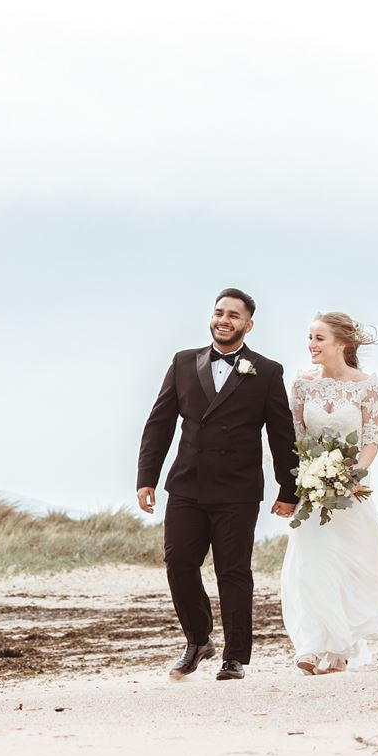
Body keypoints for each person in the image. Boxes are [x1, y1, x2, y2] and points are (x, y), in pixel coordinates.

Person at [135, 288, 300, 681]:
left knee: (233, 572)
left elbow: (281, 434)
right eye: (219, 312)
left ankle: (235, 657)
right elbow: (159, 423)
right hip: (186, 484)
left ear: (248, 324)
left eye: (233, 315)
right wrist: (147, 478)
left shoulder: (267, 371)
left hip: (237, 490)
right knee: (178, 562)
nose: (224, 320)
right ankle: (197, 640)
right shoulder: (183, 362)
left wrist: (288, 489)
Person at [280, 312, 378, 674]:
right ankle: (311, 644)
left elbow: (372, 440)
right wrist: (308, 476)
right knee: (311, 564)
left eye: (318, 338)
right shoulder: (302, 385)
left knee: (347, 564)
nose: (311, 345)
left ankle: (341, 647)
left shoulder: (366, 386)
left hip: (352, 490)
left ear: (341, 344)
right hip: (311, 491)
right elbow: (295, 437)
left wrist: (352, 474)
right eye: (309, 337)